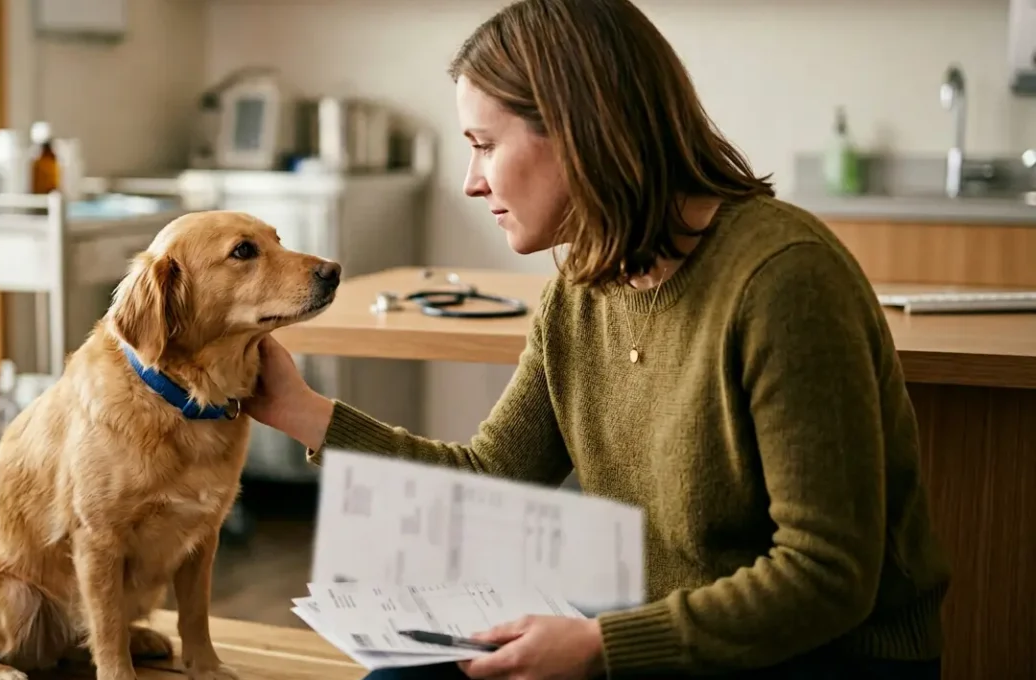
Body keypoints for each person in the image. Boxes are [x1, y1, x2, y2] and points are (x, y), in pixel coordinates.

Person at [245, 0, 951, 677]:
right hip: (655, 639)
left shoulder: (783, 279)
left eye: (486, 146)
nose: (470, 182)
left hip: (824, 659)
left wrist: (599, 646)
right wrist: (298, 409)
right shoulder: (577, 296)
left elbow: (826, 576)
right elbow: (491, 475)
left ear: (579, 130)